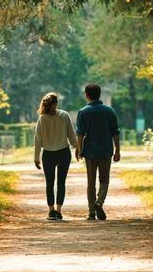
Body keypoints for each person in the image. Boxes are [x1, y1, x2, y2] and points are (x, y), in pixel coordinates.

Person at [75, 83, 120, 220]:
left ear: (87, 95)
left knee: (91, 182)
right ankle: (99, 201)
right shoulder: (109, 111)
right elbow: (115, 132)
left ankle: (91, 212)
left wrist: (79, 149)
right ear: (99, 95)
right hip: (106, 150)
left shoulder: (83, 112)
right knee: (104, 179)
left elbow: (80, 134)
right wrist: (117, 150)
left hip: (90, 152)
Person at [33, 92, 77, 220]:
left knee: (50, 183)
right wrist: (77, 148)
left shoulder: (42, 119)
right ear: (56, 103)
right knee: (61, 182)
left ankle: (51, 211)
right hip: (64, 152)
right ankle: (59, 210)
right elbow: (71, 134)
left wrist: (36, 158)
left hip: (48, 154)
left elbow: (37, 140)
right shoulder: (64, 115)